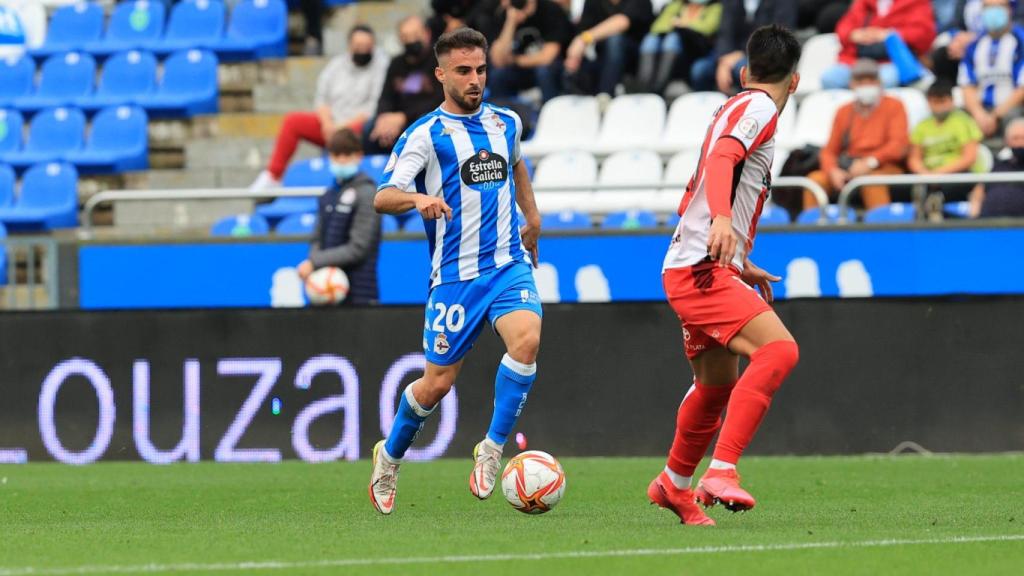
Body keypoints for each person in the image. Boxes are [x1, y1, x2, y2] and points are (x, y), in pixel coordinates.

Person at [369, 28, 544, 515]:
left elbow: (517, 166)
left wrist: (533, 218)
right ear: (441, 74)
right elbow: (382, 196)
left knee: (527, 340)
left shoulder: (507, 122)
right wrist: (418, 197)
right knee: (436, 384)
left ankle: (492, 448)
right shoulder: (424, 135)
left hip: (508, 264)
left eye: (481, 70)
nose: (475, 80)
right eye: (464, 71)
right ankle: (390, 456)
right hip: (455, 276)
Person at [651, 24, 801, 526]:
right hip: (700, 267)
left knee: (715, 385)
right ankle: (723, 470)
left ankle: (674, 485)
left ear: (744, 71)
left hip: (702, 262)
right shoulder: (759, 108)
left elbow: (715, 173)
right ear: (795, 82)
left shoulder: (733, 106)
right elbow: (722, 160)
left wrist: (739, 259)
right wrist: (720, 221)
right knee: (779, 350)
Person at [250, 26, 387, 191]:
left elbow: (373, 107)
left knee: (367, 125)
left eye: (366, 46)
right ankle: (273, 175)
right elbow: (321, 99)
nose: (362, 50)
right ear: (350, 45)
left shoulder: (381, 67)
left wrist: (341, 128)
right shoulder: (336, 65)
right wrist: (327, 123)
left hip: (357, 128)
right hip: (329, 126)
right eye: (358, 46)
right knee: (293, 121)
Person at [805, 59, 908, 210]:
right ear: (851, 84)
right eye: (860, 81)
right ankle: (812, 230)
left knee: (871, 183)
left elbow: (899, 146)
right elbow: (829, 151)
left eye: (871, 80)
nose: (866, 85)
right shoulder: (844, 111)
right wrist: (833, 171)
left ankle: (881, 231)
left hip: (884, 167)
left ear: (880, 83)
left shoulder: (894, 105)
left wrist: (871, 162)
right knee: (814, 181)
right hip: (850, 167)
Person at [297, 129, 382, 305]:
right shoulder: (328, 195)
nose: (342, 160)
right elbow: (316, 239)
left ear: (358, 156)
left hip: (360, 292)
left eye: (347, 154)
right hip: (326, 291)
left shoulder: (367, 193)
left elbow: (358, 248)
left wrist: (315, 262)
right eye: (337, 154)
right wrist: (316, 261)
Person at [364, 16, 444, 155]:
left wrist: (404, 117)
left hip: (424, 118)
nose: (411, 41)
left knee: (423, 127)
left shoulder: (439, 61)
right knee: (370, 129)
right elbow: (385, 97)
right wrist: (384, 117)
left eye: (415, 35)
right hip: (395, 121)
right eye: (405, 37)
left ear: (427, 34)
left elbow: (440, 99)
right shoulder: (396, 63)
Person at [820, 0, 935, 89]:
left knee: (887, 80)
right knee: (830, 78)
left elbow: (924, 34)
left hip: (892, 61)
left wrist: (888, 35)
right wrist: (854, 34)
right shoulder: (864, 3)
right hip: (857, 60)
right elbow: (844, 27)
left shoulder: (916, 2)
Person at [475, 0, 574, 104]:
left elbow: (548, 57)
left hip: (549, 67)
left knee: (544, 72)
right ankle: (501, 116)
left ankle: (550, 114)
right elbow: (498, 60)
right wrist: (511, 23)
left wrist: (514, 60)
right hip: (520, 70)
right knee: (498, 75)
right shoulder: (504, 13)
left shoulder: (550, 9)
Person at [697, 0, 796, 94]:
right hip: (730, 55)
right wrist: (724, 61)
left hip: (766, 56)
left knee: (743, 69)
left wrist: (743, 53)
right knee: (700, 70)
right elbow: (725, 32)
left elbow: (779, 37)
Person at [908, 82, 983, 202]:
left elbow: (969, 157)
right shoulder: (922, 126)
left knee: (955, 185)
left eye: (942, 101)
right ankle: (926, 204)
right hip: (928, 174)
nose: (938, 107)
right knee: (905, 186)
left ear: (951, 100)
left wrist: (939, 174)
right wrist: (924, 173)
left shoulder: (963, 122)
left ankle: (936, 204)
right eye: (934, 102)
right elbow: (914, 158)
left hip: (956, 173)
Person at [959, 0, 1024, 137]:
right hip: (981, 111)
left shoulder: (1020, 41)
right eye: (987, 7)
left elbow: (1022, 89)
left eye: (999, 6)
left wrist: (996, 115)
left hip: (1012, 110)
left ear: (1009, 9)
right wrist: (979, 114)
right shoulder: (974, 46)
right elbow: (967, 85)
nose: (993, 11)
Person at [564, 0, 655, 97]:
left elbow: (622, 22)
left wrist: (584, 39)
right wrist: (574, 55)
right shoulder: (594, 3)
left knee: (615, 39)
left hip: (637, 59)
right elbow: (582, 30)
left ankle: (605, 94)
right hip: (602, 58)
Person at [637, 0, 723, 96]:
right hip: (670, 55)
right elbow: (656, 28)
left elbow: (708, 29)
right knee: (651, 40)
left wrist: (683, 24)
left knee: (672, 40)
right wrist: (678, 26)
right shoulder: (676, 5)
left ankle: (657, 89)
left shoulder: (715, 7)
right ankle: (644, 88)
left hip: (697, 52)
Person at [969, 118, 1024, 216]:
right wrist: (974, 219)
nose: (1020, 143)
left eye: (1023, 138)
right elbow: (978, 193)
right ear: (1007, 141)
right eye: (1015, 138)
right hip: (989, 225)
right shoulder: (998, 165)